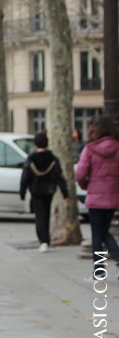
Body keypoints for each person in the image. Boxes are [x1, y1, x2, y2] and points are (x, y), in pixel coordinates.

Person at [75, 115, 119, 277]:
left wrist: (86, 185)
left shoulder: (90, 148)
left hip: (95, 197)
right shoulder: (117, 148)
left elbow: (80, 173)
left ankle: (99, 271)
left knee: (97, 234)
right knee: (103, 231)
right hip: (112, 196)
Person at [20, 131, 68, 251]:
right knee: (46, 214)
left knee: (40, 215)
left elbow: (25, 177)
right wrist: (65, 193)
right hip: (49, 191)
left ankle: (43, 240)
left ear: (35, 144)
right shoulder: (52, 158)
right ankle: (46, 239)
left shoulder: (31, 159)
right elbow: (59, 176)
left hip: (36, 191)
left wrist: (22, 191)